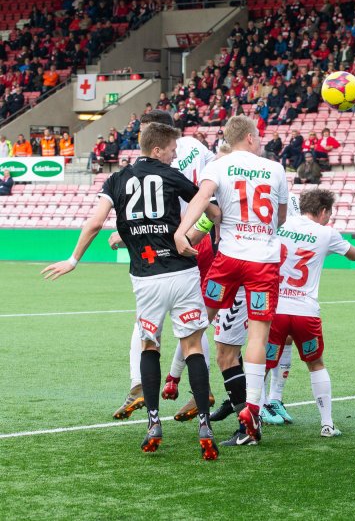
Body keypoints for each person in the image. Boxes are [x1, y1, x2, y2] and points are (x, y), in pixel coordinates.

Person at [42, 122, 221, 460]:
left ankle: (154, 423)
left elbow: (95, 223)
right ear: (157, 150)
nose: (174, 155)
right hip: (182, 272)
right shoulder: (172, 176)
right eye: (171, 150)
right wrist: (190, 236)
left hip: (146, 278)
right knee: (194, 345)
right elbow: (211, 210)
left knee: (149, 345)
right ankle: (204, 425)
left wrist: (73, 259)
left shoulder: (117, 179)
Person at [175, 115, 288, 443]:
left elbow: (201, 199)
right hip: (263, 262)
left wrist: (183, 232)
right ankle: (252, 408)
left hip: (228, 259)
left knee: (197, 321)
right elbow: (280, 217)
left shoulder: (219, 165)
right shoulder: (275, 169)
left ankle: (183, 380)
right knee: (256, 337)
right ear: (251, 138)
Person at [111, 109, 218, 423]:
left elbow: (208, 196)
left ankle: (142, 386)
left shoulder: (179, 153)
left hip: (184, 240)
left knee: (160, 325)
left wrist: (190, 233)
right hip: (182, 237)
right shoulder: (196, 151)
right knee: (194, 323)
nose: (143, 137)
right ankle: (190, 388)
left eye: (147, 130)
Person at [260, 189, 355, 438]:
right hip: (306, 311)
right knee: (316, 364)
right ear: (324, 211)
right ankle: (326, 424)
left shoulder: (280, 226)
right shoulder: (327, 233)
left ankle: (254, 420)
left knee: (261, 364)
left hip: (276, 310)